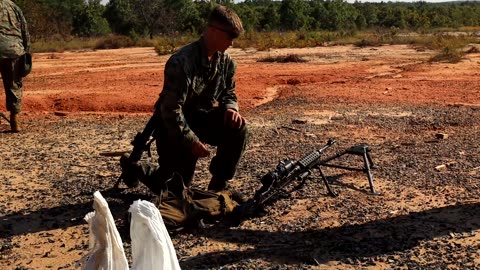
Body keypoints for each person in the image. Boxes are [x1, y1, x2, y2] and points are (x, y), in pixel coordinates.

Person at [121, 5, 248, 199]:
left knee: (238, 127)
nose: (232, 43)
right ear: (213, 31)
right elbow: (171, 110)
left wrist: (231, 108)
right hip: (174, 127)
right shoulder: (181, 62)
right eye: (229, 36)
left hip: (200, 119)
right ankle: (137, 167)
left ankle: (218, 185)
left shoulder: (226, 63)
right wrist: (191, 141)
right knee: (176, 192)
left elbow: (228, 92)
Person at [0, 0, 30, 133]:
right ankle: (15, 121)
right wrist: (26, 51)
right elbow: (25, 30)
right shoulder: (14, 6)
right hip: (14, 50)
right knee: (14, 85)